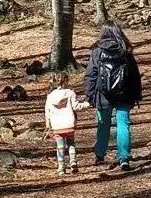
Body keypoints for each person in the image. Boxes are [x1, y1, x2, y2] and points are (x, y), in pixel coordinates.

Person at [83, 24, 143, 172]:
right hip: (124, 94)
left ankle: (100, 154)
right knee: (123, 125)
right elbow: (134, 75)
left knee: (103, 125)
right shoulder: (125, 50)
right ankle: (124, 158)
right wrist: (136, 95)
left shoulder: (97, 51)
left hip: (103, 95)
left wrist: (90, 95)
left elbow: (91, 74)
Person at [43, 72, 84, 175]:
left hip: (57, 126)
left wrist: (48, 123)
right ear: (66, 81)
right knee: (71, 143)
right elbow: (76, 106)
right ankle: (73, 161)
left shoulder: (50, 95)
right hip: (69, 124)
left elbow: (47, 111)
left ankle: (61, 167)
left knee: (60, 146)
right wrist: (86, 104)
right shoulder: (70, 93)